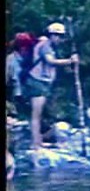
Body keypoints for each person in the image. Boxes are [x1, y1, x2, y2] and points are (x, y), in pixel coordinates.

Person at [23, 23, 79, 151]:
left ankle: (38, 141)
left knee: (39, 114)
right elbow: (50, 61)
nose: (59, 39)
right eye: (57, 36)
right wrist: (70, 61)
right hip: (37, 82)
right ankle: (35, 144)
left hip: (42, 82)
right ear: (51, 35)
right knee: (36, 114)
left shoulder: (49, 46)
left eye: (61, 36)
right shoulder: (46, 46)